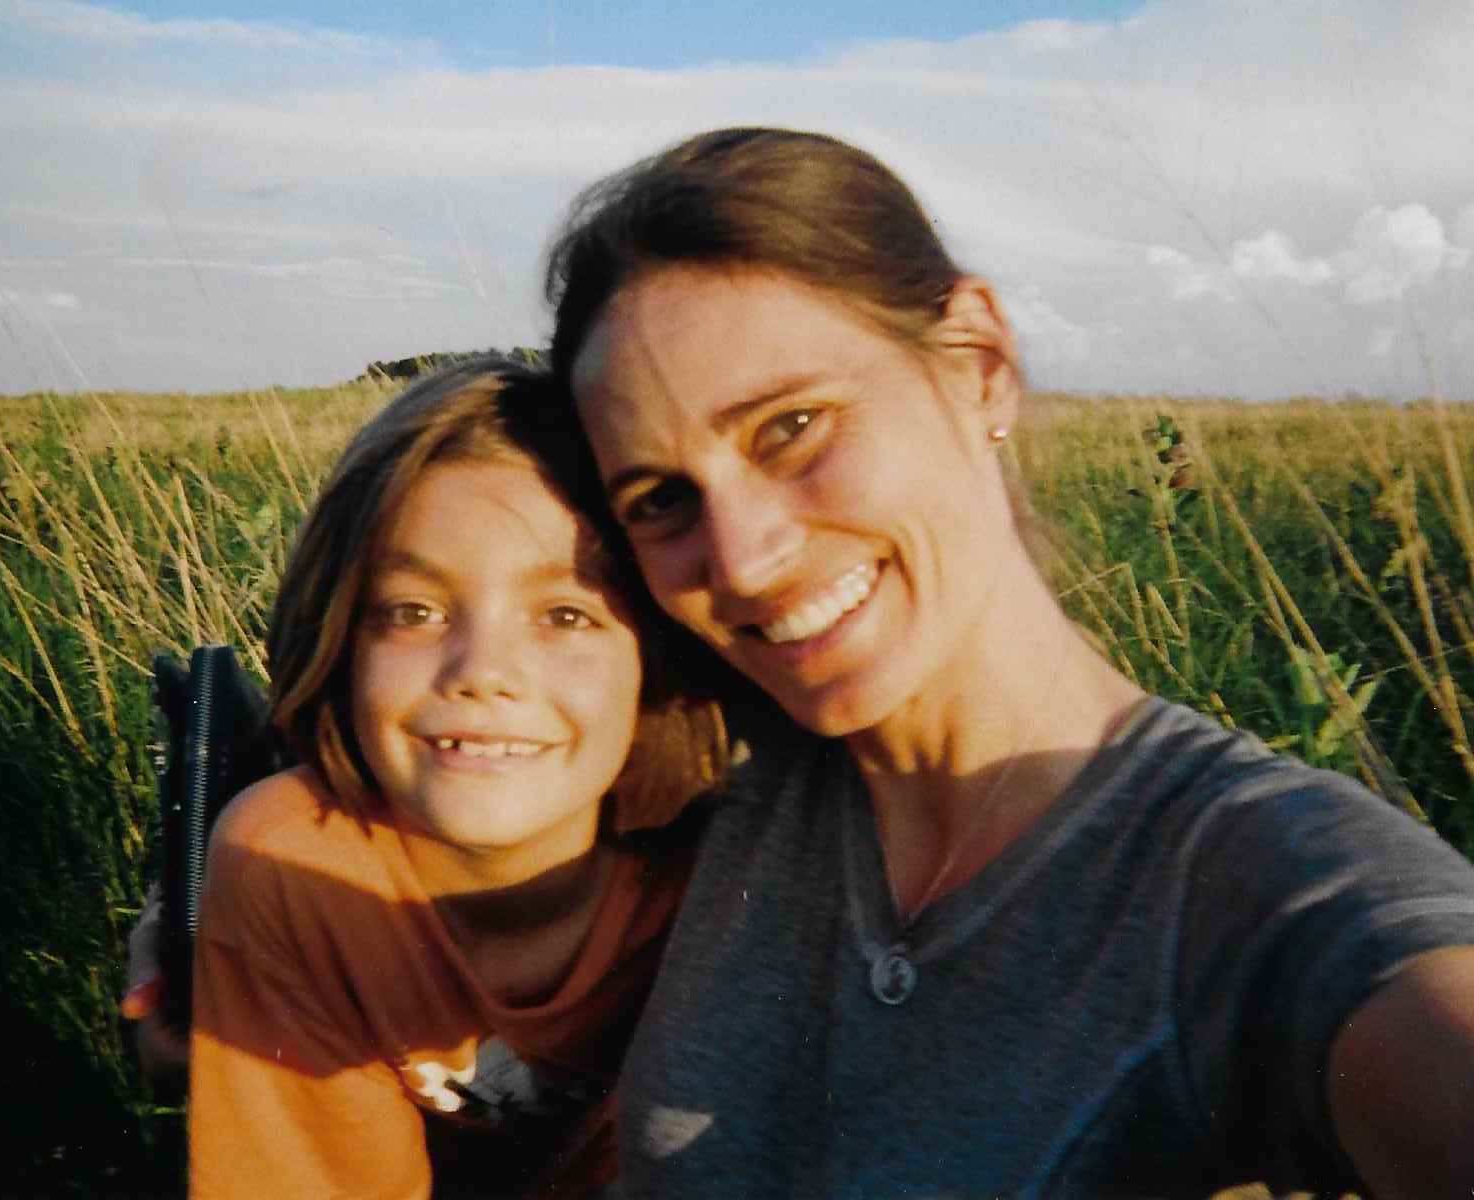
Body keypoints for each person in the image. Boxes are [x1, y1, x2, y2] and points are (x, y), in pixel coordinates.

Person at [544, 127, 1474, 1197]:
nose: (745, 559)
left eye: (791, 426)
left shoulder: (1253, 882)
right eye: (660, 500)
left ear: (979, 365)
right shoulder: (704, 773)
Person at [167, 359, 728, 1199]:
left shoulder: (733, 871)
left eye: (567, 615)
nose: (482, 673)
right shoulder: (293, 868)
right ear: (342, 641)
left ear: (656, 660)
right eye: (413, 611)